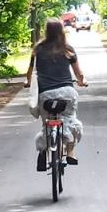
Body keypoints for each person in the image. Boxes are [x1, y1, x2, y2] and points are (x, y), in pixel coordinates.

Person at [24, 18, 87, 171]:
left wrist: (27, 82)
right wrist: (82, 81)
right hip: (67, 94)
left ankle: (44, 151)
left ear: (46, 31)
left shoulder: (38, 49)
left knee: (47, 124)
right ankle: (70, 152)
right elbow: (78, 74)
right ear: (61, 30)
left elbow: (30, 72)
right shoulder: (68, 49)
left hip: (46, 95)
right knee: (71, 121)